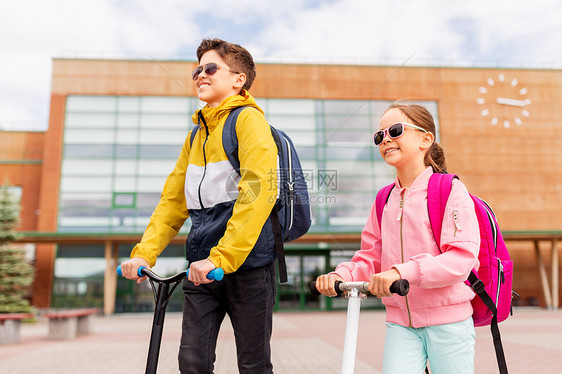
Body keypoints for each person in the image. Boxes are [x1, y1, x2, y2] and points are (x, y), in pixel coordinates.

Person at [120, 38, 278, 374]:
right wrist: (143, 254)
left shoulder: (249, 121)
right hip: (201, 268)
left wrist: (222, 257)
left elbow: (257, 193)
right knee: (192, 362)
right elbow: (172, 203)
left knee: (253, 364)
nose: (199, 76)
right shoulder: (196, 136)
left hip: (246, 266)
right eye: (196, 70)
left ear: (239, 79)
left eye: (210, 68)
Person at [315, 102, 480, 374]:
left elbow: (461, 259)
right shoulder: (384, 199)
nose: (385, 140)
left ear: (426, 139)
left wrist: (401, 272)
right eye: (379, 136)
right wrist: (340, 274)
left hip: (448, 322)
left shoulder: (450, 190)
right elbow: (370, 256)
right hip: (400, 324)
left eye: (395, 130)